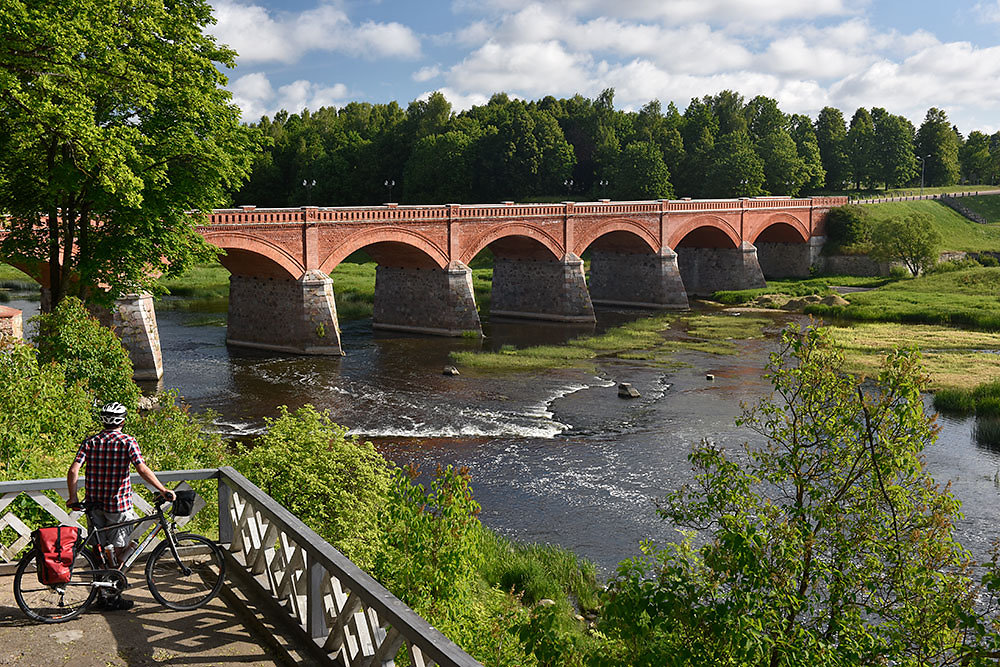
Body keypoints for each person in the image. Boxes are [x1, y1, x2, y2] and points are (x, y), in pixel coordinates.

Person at [67, 401, 175, 611]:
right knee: (118, 552)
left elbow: (73, 471)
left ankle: (103, 594)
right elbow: (142, 469)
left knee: (99, 552)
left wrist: (73, 498)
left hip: (93, 505)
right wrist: (162, 490)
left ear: (103, 421)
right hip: (118, 505)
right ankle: (113, 597)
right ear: (123, 421)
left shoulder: (90, 442)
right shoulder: (127, 442)